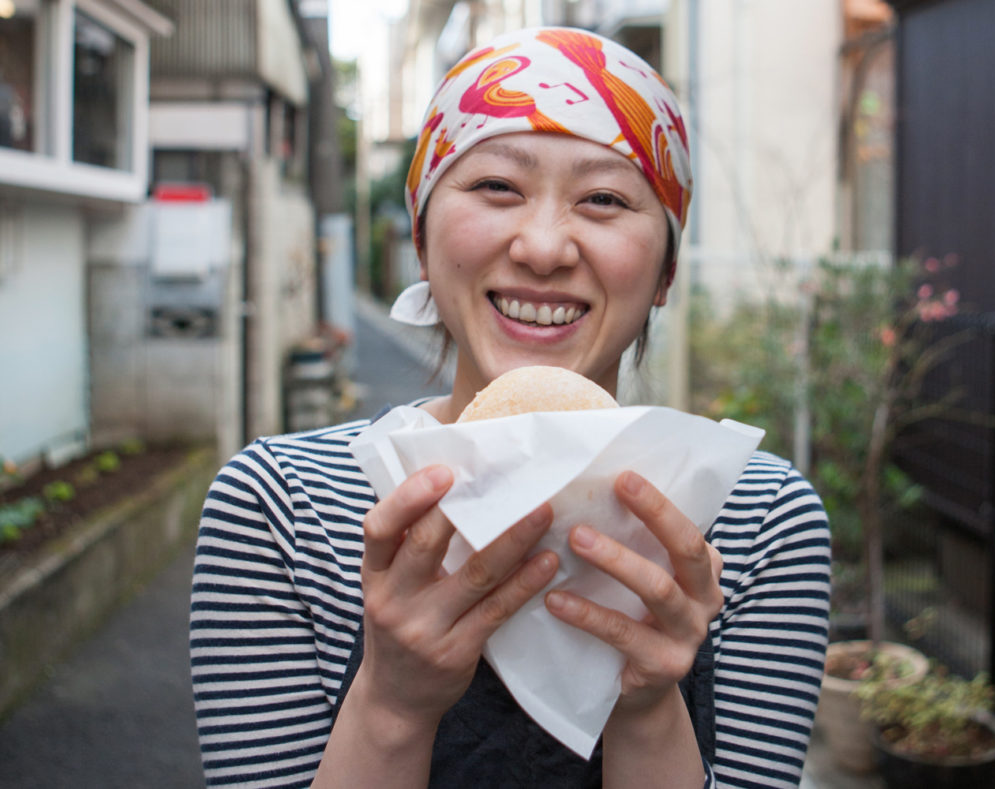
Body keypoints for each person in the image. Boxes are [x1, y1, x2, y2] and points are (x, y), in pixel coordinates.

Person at [190, 26, 831, 789]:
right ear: (421, 240)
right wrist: (392, 705)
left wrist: (649, 708)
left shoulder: (757, 521)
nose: (544, 246)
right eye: (497, 186)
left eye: (603, 198)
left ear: (664, 271)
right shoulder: (279, 508)